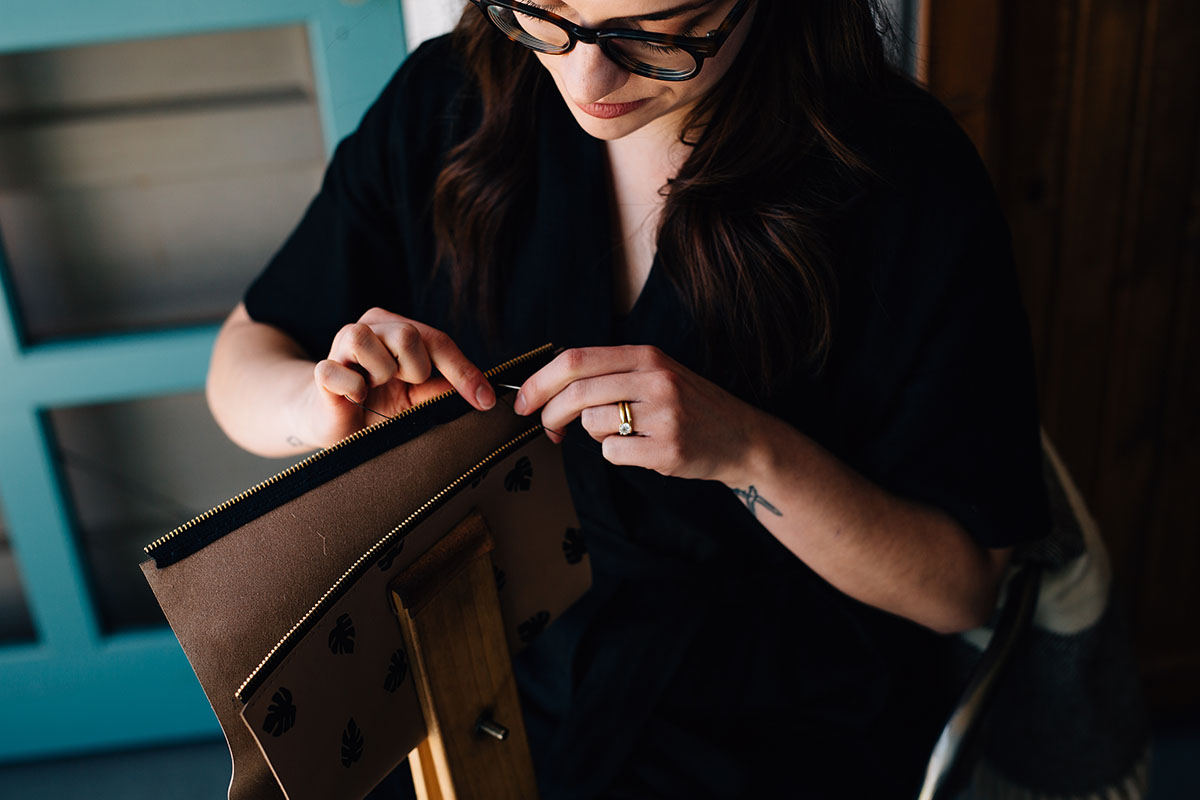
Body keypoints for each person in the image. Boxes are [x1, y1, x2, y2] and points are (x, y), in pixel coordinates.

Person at [206, 0, 1051, 796]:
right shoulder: (453, 96)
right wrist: (323, 411)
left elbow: (961, 588)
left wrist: (748, 451)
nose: (585, 83)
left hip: (774, 724)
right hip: (484, 679)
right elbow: (243, 359)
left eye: (656, 37)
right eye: (547, 15)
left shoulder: (901, 178)